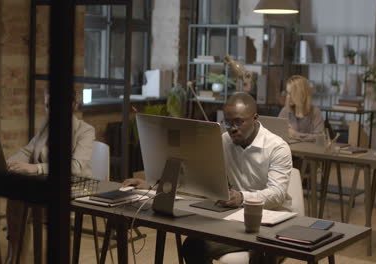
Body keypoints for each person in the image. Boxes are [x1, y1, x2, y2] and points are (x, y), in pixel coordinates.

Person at [124, 92, 292, 263]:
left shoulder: (277, 147)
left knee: (261, 252)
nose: (233, 128)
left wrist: (241, 197)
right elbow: (196, 176)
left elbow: (277, 194)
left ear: (255, 118)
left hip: (274, 221)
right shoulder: (223, 141)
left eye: (239, 122)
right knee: (193, 246)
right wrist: (153, 185)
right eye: (228, 122)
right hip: (238, 218)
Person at [5, 89, 95, 264]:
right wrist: (8, 162)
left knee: (42, 199)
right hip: (47, 181)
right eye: (47, 106)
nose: (50, 111)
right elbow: (28, 150)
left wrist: (36, 168)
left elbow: (75, 167)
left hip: (76, 186)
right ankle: (14, 257)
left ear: (73, 105)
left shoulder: (85, 131)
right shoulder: (46, 125)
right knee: (15, 193)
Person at [278, 75, 324, 142]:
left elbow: (320, 138)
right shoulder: (285, 110)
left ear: (301, 94)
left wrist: (296, 134)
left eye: (291, 93)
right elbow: (276, 133)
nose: (288, 97)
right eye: (287, 93)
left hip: (308, 151)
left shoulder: (315, 112)